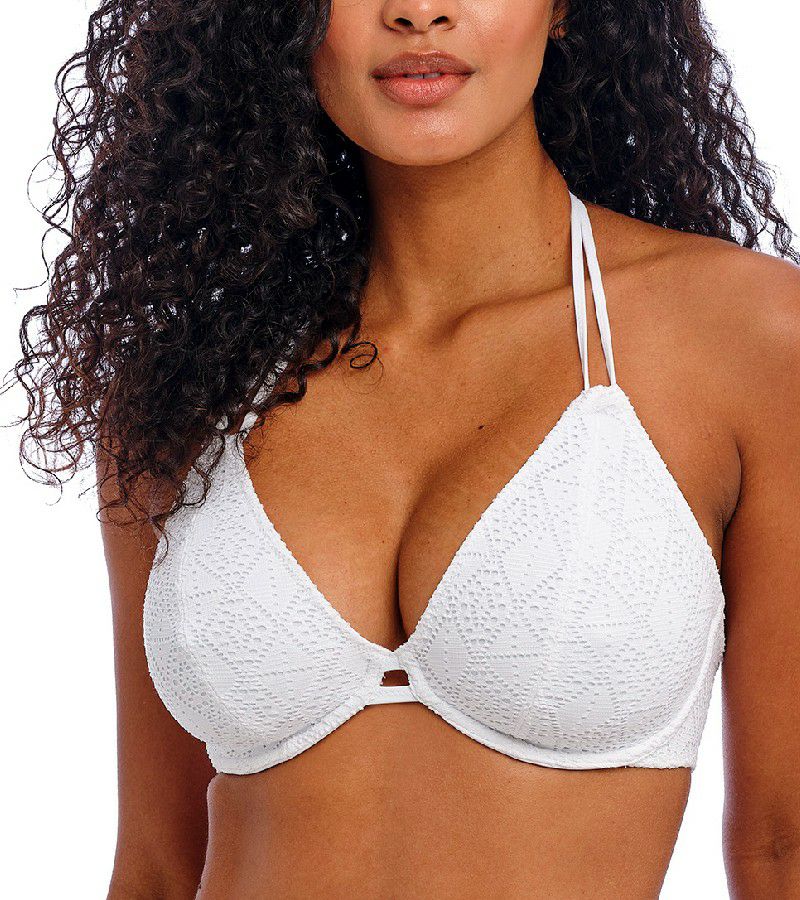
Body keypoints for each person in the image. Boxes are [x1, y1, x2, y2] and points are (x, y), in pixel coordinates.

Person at [11, 1, 800, 897]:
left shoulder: (747, 338)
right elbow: (156, 867)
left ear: (563, 8)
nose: (419, 11)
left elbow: (783, 848)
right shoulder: (187, 386)